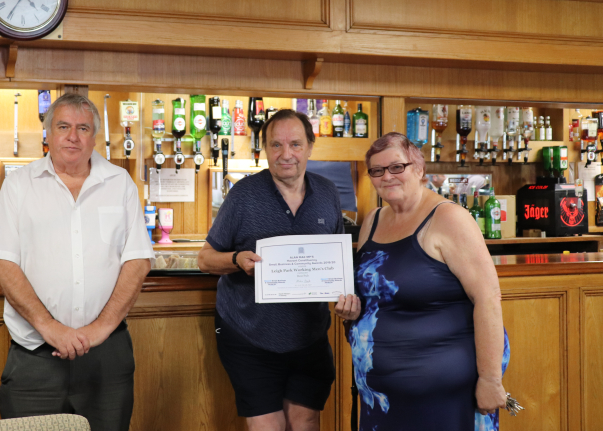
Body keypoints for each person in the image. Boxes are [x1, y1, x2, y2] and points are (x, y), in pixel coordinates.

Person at [0, 93, 153, 431]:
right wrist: (52, 328)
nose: (73, 136)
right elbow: (4, 264)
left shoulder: (121, 184)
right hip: (35, 357)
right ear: (48, 134)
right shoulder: (19, 185)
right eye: (63, 127)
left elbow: (137, 263)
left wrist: (98, 329)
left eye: (83, 128)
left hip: (106, 357)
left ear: (94, 137)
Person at [334, 132, 509, 431]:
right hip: (380, 395)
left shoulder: (450, 219)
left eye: (396, 167)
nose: (386, 176)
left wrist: (491, 380)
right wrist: (352, 313)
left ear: (419, 169)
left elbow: (488, 297)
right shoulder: (374, 220)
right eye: (377, 170)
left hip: (444, 397)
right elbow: (376, 300)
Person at [198, 108, 346, 431]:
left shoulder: (327, 194)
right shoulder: (243, 195)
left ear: (309, 146)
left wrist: (346, 292)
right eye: (276, 145)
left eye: (295, 144)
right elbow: (205, 258)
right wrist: (237, 260)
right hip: (250, 335)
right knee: (268, 426)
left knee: (305, 421)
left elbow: (337, 260)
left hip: (309, 337)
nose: (286, 154)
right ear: (265, 149)